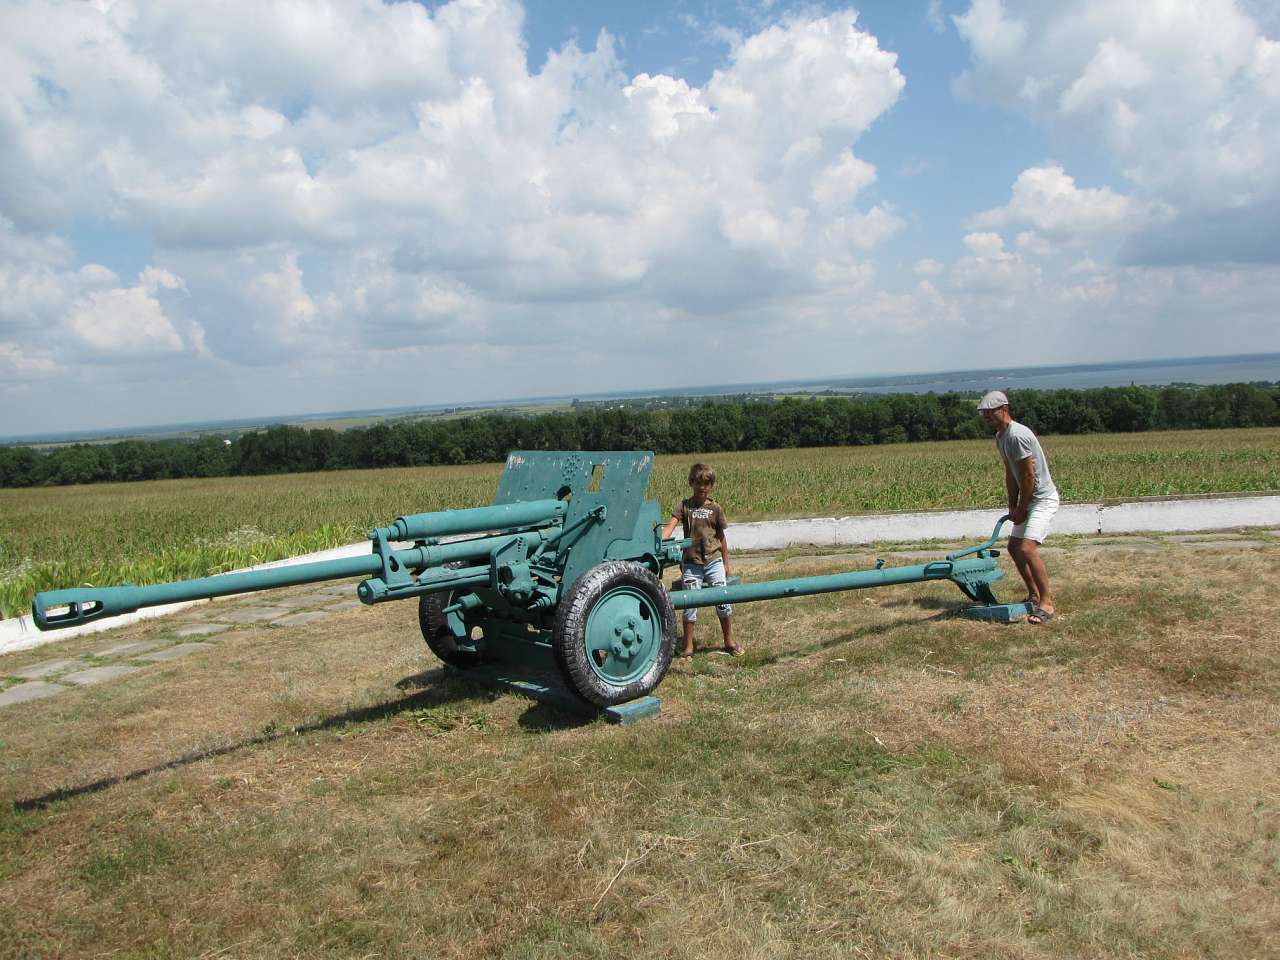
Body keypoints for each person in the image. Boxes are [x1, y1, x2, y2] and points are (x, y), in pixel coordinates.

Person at [977, 390, 1060, 624]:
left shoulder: (1018, 435)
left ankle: (1047, 604)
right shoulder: (1001, 437)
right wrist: (1012, 505)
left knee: (1027, 548)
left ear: (1004, 409)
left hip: (1042, 499)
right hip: (1027, 499)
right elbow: (1010, 475)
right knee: (1014, 547)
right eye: (983, 414)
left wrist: (1022, 508)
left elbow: (1028, 477)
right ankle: (1033, 595)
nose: (986, 417)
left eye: (989, 412)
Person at [660, 462, 740, 657]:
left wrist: (726, 564)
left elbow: (721, 538)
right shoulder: (684, 506)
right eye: (698, 483)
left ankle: (728, 640)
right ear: (691, 483)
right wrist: (659, 540)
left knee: (723, 601)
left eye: (706, 483)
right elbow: (670, 526)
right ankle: (688, 647)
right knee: (689, 604)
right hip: (691, 564)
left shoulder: (716, 509)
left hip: (714, 561)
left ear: (711, 485)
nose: (702, 487)